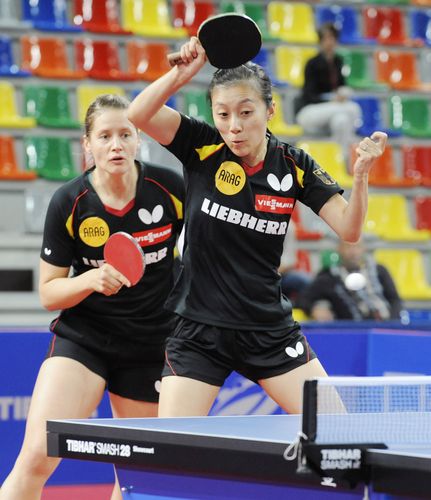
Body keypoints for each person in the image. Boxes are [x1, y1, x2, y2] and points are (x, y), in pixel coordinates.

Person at [127, 35, 387, 417]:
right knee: (173, 451)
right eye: (223, 113)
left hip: (267, 329)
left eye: (246, 112)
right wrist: (181, 75)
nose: (233, 126)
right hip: (200, 330)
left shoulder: (295, 165)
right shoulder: (202, 145)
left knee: (337, 434)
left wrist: (361, 176)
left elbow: (349, 229)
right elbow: (139, 115)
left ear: (270, 110)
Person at [0, 94, 184, 500]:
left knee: (137, 475)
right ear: (88, 144)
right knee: (36, 457)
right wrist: (91, 279)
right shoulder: (70, 201)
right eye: (104, 136)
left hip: (151, 344)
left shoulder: (169, 189)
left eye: (125, 134)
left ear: (139, 140)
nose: (115, 144)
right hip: (85, 340)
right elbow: (49, 292)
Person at [295, 22, 362, 156]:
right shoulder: (312, 63)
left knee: (341, 121)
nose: (329, 42)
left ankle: (340, 160)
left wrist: (343, 93)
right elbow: (309, 95)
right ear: (320, 41)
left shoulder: (338, 61)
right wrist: (332, 98)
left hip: (331, 114)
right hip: (311, 112)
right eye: (326, 38)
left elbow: (342, 86)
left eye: (332, 38)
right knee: (353, 108)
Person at [298, 238, 403, 321]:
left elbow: (395, 301)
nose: (353, 252)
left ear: (364, 248)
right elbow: (302, 300)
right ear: (339, 249)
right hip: (350, 331)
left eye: (357, 246)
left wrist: (391, 323)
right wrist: (316, 308)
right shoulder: (329, 277)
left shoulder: (379, 271)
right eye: (348, 246)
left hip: (384, 326)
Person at [279, 222, 312, 306]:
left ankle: (302, 311)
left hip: (282, 274)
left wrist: (272, 270)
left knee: (305, 281)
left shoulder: (289, 226)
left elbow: (290, 262)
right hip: (260, 272)